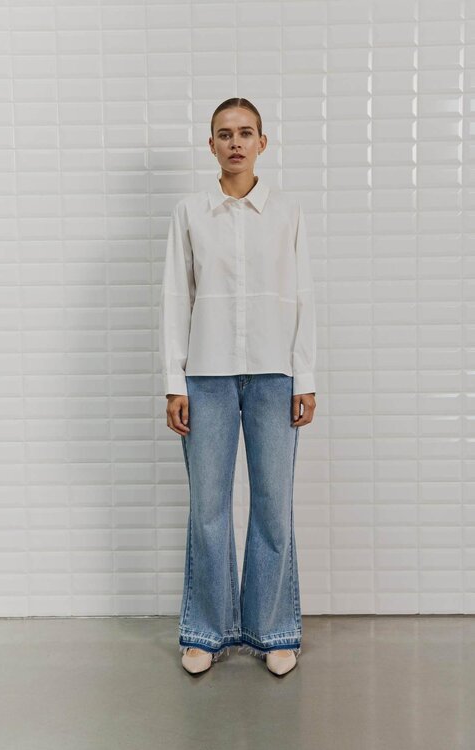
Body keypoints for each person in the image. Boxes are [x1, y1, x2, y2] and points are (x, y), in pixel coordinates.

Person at [158, 97, 317, 676]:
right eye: (224, 134)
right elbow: (176, 297)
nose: (235, 143)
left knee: (274, 506)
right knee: (208, 509)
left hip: (276, 375)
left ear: (262, 143)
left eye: (245, 133)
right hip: (207, 376)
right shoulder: (191, 212)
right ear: (211, 145)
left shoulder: (287, 213)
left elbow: (303, 297)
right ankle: (206, 631)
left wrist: (306, 377)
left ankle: (274, 631)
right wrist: (174, 382)